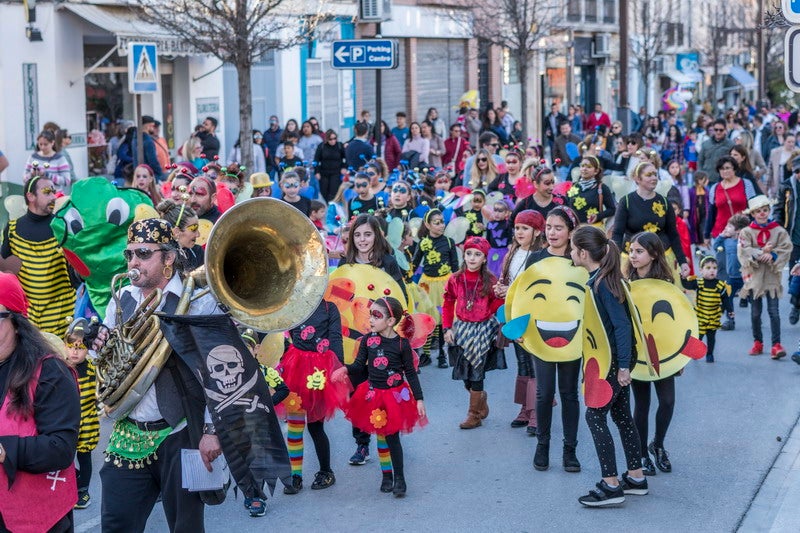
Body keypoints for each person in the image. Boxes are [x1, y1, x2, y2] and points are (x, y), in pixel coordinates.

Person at [97, 219, 227, 530]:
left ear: (168, 258)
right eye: (129, 255)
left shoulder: (197, 303)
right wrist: (97, 345)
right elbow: (107, 359)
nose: (134, 262)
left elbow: (218, 374)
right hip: (128, 431)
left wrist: (212, 430)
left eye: (143, 253)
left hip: (180, 432)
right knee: (116, 523)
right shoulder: (122, 298)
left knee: (186, 527)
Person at [570, 226, 646, 507]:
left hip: (613, 360)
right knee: (622, 415)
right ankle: (636, 477)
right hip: (614, 358)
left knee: (594, 416)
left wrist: (623, 366)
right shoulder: (603, 278)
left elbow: (622, 326)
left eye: (572, 248)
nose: (570, 252)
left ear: (583, 253)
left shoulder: (603, 283)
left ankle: (611, 484)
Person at [0, 272, 81, 532]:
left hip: (36, 518)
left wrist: (4, 450)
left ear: (15, 321)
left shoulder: (50, 370)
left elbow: (60, 448)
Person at [334, 297, 426, 497]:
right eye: (371, 315)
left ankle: (399, 477)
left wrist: (419, 398)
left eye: (377, 316)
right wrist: (344, 369)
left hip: (394, 397)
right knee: (381, 435)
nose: (371, 320)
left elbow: (410, 372)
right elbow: (359, 365)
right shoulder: (368, 340)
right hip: (373, 395)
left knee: (392, 437)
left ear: (391, 321)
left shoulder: (401, 345)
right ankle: (386, 476)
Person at [338, 214, 408, 465]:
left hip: (383, 340)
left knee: (383, 392)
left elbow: (401, 299)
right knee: (359, 393)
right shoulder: (346, 264)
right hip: (354, 340)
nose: (362, 239)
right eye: (357, 235)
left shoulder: (387, 261)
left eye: (367, 234)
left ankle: (390, 443)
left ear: (376, 235)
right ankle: (361, 444)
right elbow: (337, 300)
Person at [522, 206, 582, 472]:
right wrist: (522, 331)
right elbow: (523, 294)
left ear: (570, 231)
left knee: (569, 394)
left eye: (559, 227)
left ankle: (570, 450)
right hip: (541, 334)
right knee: (544, 393)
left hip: (573, 335)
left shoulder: (579, 258)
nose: (553, 232)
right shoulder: (535, 257)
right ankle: (542, 445)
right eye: (549, 227)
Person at [278, 299, 349, 495]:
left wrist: (339, 368)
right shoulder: (294, 305)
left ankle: (326, 471)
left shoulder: (329, 308)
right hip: (296, 368)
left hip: (319, 372)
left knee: (316, 426)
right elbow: (286, 330)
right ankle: (296, 476)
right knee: (294, 425)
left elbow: (335, 338)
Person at [626, 231, 679, 476]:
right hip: (637, 352)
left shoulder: (667, 284)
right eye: (631, 251)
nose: (633, 256)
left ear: (654, 254)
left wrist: (680, 355)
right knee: (642, 404)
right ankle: (640, 454)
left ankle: (657, 444)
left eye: (639, 251)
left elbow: (680, 320)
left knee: (667, 401)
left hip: (663, 351)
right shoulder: (626, 283)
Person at [443, 236, 505, 429]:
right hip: (461, 329)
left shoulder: (490, 280)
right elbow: (447, 302)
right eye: (469, 253)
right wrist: (447, 328)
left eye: (477, 255)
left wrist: (497, 303)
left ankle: (474, 415)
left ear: (484, 258)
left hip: (483, 330)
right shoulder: (455, 279)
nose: (472, 258)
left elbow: (498, 302)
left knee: (477, 371)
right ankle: (479, 397)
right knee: (465, 374)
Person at [0, 175, 75, 335]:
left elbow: (78, 271)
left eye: (54, 192)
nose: (53, 197)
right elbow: (6, 274)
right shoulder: (12, 229)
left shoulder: (62, 226)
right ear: (30, 196)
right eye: (47, 192)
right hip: (28, 322)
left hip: (64, 318)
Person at [495, 210, 545, 435]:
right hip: (515, 314)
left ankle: (537, 412)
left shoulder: (542, 256)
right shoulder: (512, 252)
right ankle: (525, 408)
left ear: (536, 231)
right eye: (517, 228)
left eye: (525, 228)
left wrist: (512, 291)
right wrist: (500, 288)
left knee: (536, 364)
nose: (519, 232)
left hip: (534, 316)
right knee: (522, 362)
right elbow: (506, 280)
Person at [612, 162, 690, 281]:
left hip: (661, 260)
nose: (654, 178)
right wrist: (613, 260)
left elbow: (673, 234)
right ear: (637, 178)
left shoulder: (664, 202)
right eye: (649, 175)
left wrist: (682, 261)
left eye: (655, 174)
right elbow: (617, 233)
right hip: (633, 261)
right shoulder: (626, 202)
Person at [738, 195, 792, 358]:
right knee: (755, 312)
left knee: (774, 311)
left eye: (765, 210)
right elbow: (743, 249)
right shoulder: (746, 232)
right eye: (758, 211)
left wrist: (774, 256)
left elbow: (786, 247)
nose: (762, 213)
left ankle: (776, 344)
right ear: (753, 213)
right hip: (754, 276)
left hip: (771, 277)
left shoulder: (778, 230)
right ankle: (758, 342)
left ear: (769, 211)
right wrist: (760, 253)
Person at [412, 209, 460, 368]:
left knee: (441, 320)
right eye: (436, 222)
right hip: (427, 285)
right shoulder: (422, 243)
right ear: (427, 225)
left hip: (444, 284)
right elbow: (414, 263)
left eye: (442, 221)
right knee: (427, 318)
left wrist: (456, 286)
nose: (441, 225)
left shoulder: (448, 242)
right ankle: (426, 354)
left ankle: (441, 354)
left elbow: (455, 267)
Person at [63, 318, 100, 510]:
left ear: (88, 349)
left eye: (80, 347)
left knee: (84, 457)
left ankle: (83, 490)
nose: (75, 352)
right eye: (71, 346)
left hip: (87, 423)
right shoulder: (60, 368)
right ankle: (70, 483)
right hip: (66, 422)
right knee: (64, 457)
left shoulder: (93, 368)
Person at [680, 256, 731, 363]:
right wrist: (683, 277)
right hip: (701, 315)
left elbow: (726, 298)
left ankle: (710, 354)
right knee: (699, 336)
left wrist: (730, 310)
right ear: (701, 270)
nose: (712, 270)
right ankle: (694, 352)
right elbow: (687, 285)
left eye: (714, 268)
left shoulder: (720, 285)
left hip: (713, 316)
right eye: (708, 268)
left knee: (711, 337)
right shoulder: (699, 283)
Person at [704, 156, 759, 248]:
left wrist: (755, 229)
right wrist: (706, 235)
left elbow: (754, 209)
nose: (724, 171)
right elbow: (711, 213)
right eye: (721, 169)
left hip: (742, 232)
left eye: (727, 168)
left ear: (734, 169)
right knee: (722, 261)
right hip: (721, 233)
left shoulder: (746, 184)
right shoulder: (715, 188)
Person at [156, 198, 204, 271]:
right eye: (194, 229)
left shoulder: (197, 251)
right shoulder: (162, 258)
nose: (198, 235)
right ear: (177, 231)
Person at [567, 156, 616, 226]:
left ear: (596, 171)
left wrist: (598, 216)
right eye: (582, 166)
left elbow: (612, 209)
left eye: (589, 167)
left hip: (592, 230)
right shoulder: (573, 186)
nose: (584, 169)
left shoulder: (602, 188)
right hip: (574, 229)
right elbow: (566, 206)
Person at [314, 129, 346, 202]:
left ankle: (331, 205)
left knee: (333, 191)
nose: (333, 141)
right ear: (327, 139)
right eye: (330, 139)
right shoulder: (322, 146)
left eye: (334, 138)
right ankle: (327, 203)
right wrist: (317, 172)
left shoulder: (339, 145)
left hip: (336, 172)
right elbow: (316, 160)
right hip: (324, 173)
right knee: (324, 191)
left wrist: (344, 167)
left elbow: (345, 158)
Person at [698, 119, 734, 183]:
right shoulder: (706, 144)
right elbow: (700, 161)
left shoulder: (731, 145)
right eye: (716, 129)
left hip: (724, 180)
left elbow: (734, 162)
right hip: (707, 179)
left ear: (725, 130)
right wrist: (700, 175)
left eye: (721, 130)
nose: (718, 132)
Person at [484, 200, 513, 277]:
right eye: (495, 210)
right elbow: (488, 239)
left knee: (501, 270)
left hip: (504, 251)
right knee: (490, 270)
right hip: (492, 251)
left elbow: (510, 238)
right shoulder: (490, 224)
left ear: (506, 213)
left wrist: (510, 248)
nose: (497, 213)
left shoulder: (507, 224)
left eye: (500, 211)